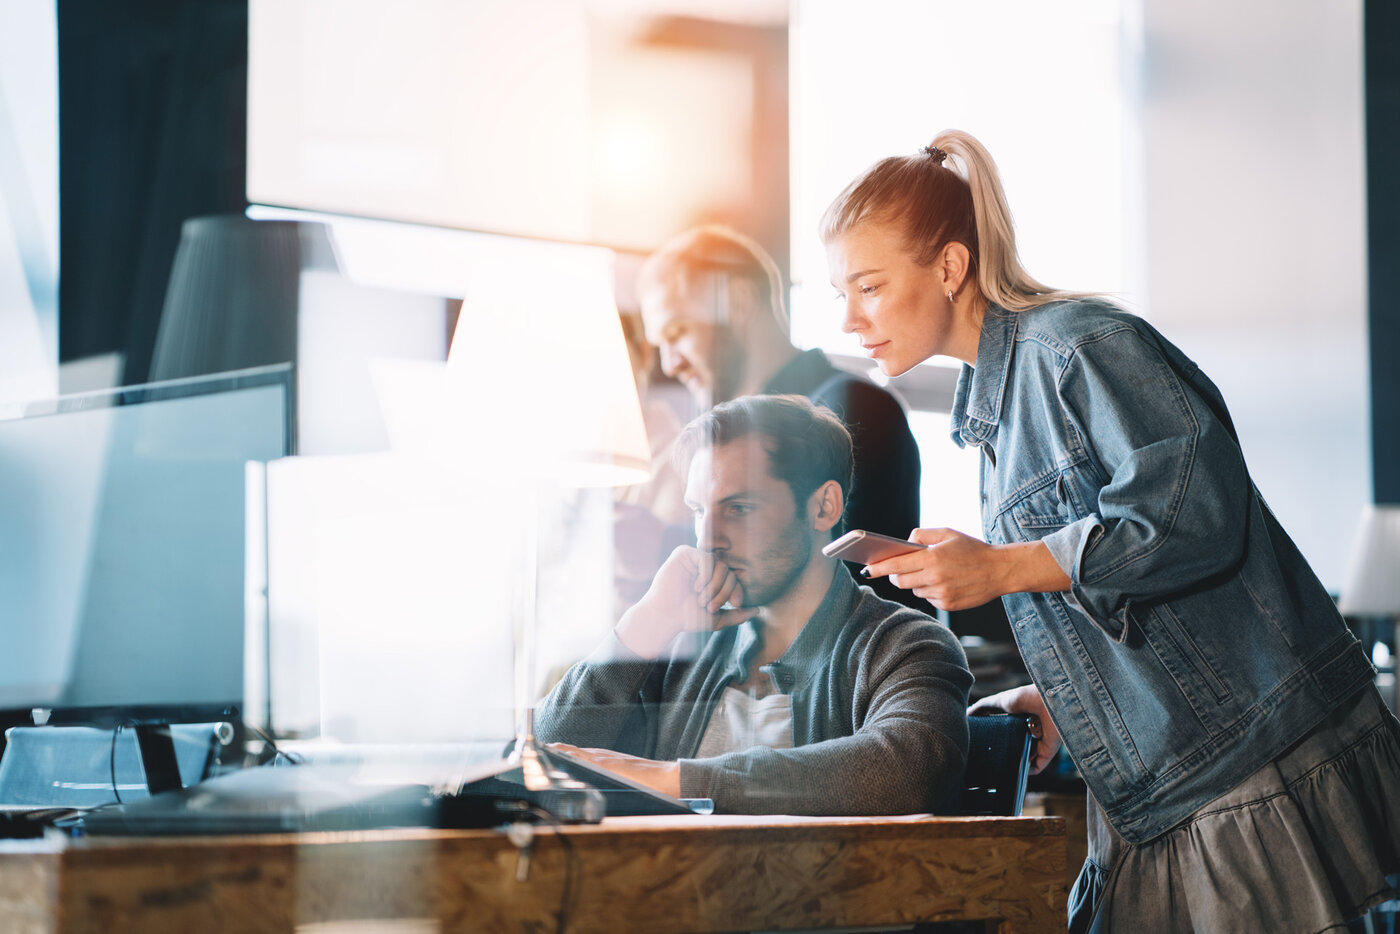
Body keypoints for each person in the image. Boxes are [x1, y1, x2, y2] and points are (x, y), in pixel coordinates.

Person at [821, 130, 1400, 932]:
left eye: (869, 287)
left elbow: (1192, 517)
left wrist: (1002, 568)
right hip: (1157, 788)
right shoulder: (993, 418)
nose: (850, 319)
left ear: (949, 268)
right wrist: (1065, 699)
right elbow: (1126, 596)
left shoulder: (1078, 349)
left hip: (1234, 771)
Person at [534, 394, 971, 815]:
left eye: (738, 508)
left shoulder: (905, 644)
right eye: (699, 511)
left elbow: (911, 769)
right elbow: (545, 760)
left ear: (824, 507)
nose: (707, 540)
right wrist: (643, 624)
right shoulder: (676, 645)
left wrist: (677, 779)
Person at [633, 224, 923, 607]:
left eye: (678, 331)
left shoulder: (852, 408)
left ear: (737, 301)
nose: (670, 364)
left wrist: (662, 545)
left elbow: (823, 577)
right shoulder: (726, 438)